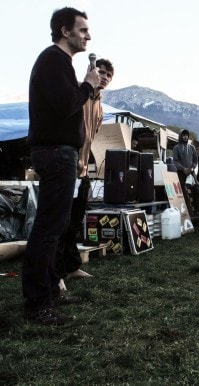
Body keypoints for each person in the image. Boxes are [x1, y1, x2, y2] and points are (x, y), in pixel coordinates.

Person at [22, 7, 100, 325]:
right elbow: (66, 104)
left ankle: (50, 291)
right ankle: (38, 302)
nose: (88, 35)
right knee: (47, 228)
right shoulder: (53, 60)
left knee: (55, 227)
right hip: (55, 153)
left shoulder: (59, 62)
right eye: (82, 30)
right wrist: (88, 86)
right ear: (65, 31)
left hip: (60, 153)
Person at [56, 58, 114, 290]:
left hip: (82, 169)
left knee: (74, 223)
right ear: (91, 72)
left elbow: (92, 134)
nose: (104, 77)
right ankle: (55, 273)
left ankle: (70, 267)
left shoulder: (100, 106)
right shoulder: (78, 93)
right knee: (60, 224)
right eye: (100, 71)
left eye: (108, 75)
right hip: (66, 165)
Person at [172, 129, 199, 219]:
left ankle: (198, 211)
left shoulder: (192, 147)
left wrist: (192, 167)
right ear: (180, 136)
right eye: (183, 135)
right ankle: (189, 213)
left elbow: (195, 160)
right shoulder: (176, 147)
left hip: (191, 173)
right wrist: (183, 168)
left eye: (187, 135)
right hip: (181, 173)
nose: (185, 137)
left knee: (197, 191)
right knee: (185, 194)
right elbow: (175, 161)